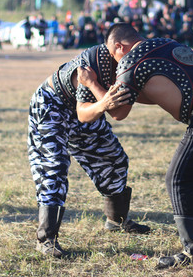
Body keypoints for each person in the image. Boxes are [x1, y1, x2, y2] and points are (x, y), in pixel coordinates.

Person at [78, 23, 193, 269]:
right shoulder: (164, 43)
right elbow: (160, 89)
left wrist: (91, 84)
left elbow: (117, 112)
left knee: (179, 181)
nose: (115, 64)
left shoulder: (130, 62)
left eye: (113, 56)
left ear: (120, 46)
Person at [28, 43, 150, 258]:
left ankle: (116, 220)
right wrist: (101, 97)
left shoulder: (130, 65)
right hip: (52, 104)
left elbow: (116, 111)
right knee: (53, 166)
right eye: (131, 51)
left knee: (114, 159)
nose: (135, 56)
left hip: (86, 109)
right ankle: (46, 239)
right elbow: (89, 111)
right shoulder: (92, 63)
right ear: (117, 47)